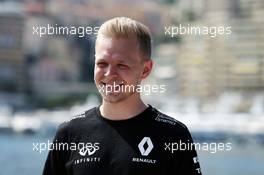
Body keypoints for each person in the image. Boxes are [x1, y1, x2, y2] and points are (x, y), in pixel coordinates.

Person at [42, 17, 202, 175]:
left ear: (145, 69)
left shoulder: (174, 136)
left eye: (122, 65)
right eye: (102, 64)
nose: (110, 74)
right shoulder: (69, 134)